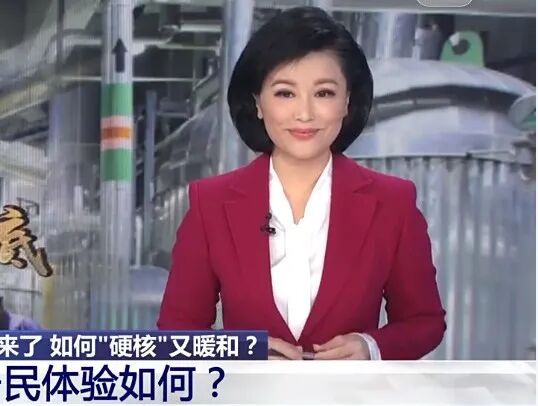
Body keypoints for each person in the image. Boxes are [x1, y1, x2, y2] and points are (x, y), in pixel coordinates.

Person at [157, 6, 446, 361]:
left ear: (347, 102)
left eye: (324, 93)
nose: (305, 114)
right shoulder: (211, 203)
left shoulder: (393, 202)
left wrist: (371, 347)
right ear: (258, 103)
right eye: (285, 93)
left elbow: (423, 322)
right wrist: (243, 351)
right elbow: (176, 330)